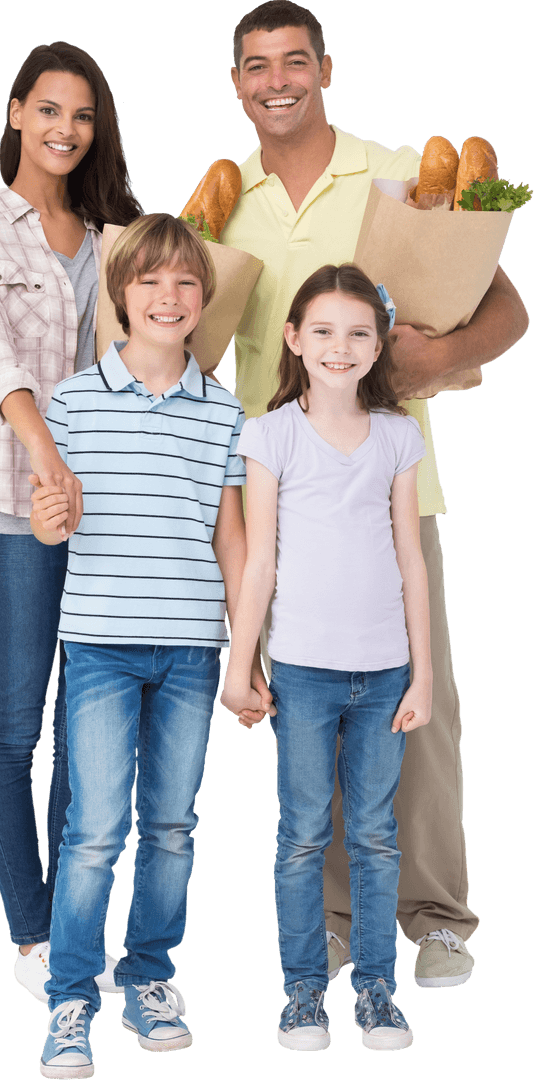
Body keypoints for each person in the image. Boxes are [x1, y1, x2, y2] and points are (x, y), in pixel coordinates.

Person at [219, 0, 529, 988]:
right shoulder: (222, 207)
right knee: (315, 706)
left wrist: (439, 353)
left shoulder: (393, 175)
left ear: (325, 70)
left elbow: (507, 305)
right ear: (237, 83)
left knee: (417, 712)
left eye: (294, 61)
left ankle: (437, 918)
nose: (277, 79)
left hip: (396, 481)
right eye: (257, 65)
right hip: (278, 498)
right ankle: (345, 923)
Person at [30, 213, 271, 1077]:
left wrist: (242, 658)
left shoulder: (223, 413)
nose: (167, 297)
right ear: (119, 295)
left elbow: (233, 543)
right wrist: (46, 515)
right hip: (97, 643)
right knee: (94, 830)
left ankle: (151, 977)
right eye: (148, 281)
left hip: (191, 649)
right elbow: (48, 513)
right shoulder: (73, 399)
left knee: (171, 826)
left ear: (204, 299)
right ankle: (68, 998)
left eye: (184, 283)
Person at [0, 42, 144, 1003]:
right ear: (17, 112)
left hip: (109, 519)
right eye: (50, 110)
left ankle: (72, 934)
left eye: (84, 116)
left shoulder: (117, 237)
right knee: (14, 726)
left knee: (88, 735)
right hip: (19, 510)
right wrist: (52, 469)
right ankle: (31, 938)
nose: (67, 130)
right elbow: (0, 368)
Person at [221, 264, 430, 1050]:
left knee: (375, 836)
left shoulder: (398, 436)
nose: (339, 348)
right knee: (302, 835)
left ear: (378, 345)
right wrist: (240, 668)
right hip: (303, 673)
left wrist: (426, 676)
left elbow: (411, 561)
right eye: (322, 332)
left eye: (357, 333)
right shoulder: (268, 435)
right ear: (292, 339)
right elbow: (260, 564)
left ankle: (377, 991)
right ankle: (304, 993)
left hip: (383, 677)